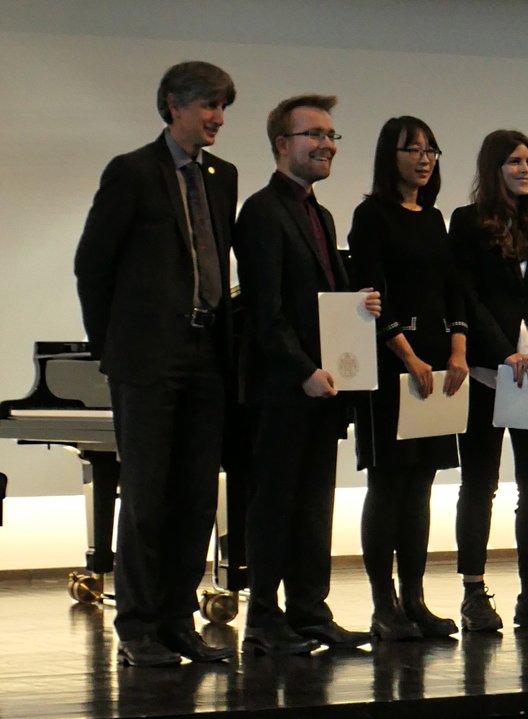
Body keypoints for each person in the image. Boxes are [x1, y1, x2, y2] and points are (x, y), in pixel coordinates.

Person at [74, 61, 238, 666]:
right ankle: (138, 626)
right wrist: (112, 346)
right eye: (208, 106)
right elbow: (92, 264)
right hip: (147, 356)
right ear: (173, 104)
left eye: (222, 107)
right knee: (146, 494)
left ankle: (176, 621)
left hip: (207, 351)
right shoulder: (133, 171)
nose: (218, 118)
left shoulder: (222, 176)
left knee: (196, 495)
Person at [234, 94, 377, 654]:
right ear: (281, 144)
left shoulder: (320, 214)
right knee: (273, 506)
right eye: (313, 134)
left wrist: (359, 305)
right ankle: (264, 620)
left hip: (322, 387)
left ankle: (310, 611)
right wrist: (303, 371)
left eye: (331, 135)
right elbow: (264, 311)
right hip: (283, 388)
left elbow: (323, 302)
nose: (326, 145)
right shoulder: (262, 212)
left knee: (314, 504)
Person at [448, 129, 528, 632]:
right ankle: (474, 592)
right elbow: (466, 295)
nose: (525, 170)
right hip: (487, 371)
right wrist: (501, 349)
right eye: (514, 162)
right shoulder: (467, 222)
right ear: (493, 168)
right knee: (480, 485)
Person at [348, 116, 468, 638]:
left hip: (438, 367)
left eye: (430, 150)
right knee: (388, 483)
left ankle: (415, 598)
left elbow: (451, 289)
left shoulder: (435, 218)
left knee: (421, 484)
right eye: (413, 149)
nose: (424, 159)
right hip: (390, 366)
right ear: (389, 156)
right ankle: (384, 604)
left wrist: (457, 349)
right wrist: (408, 355)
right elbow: (370, 291)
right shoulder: (371, 215)